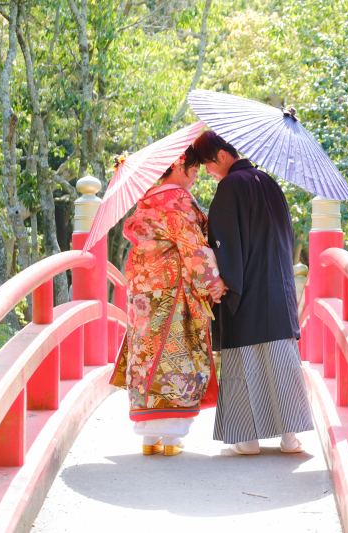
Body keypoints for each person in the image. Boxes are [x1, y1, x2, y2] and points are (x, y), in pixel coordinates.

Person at [193, 130, 314, 455]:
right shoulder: (269, 183)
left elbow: (224, 241)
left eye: (206, 163)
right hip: (278, 286)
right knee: (282, 362)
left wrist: (226, 280)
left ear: (220, 156)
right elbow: (286, 238)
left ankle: (247, 440)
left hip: (246, 289)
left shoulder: (230, 187)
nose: (206, 170)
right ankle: (290, 438)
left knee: (244, 362)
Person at [110, 146, 227, 456]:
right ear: (178, 165)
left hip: (144, 290)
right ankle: (172, 438)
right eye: (193, 166)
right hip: (173, 289)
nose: (198, 171)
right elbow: (192, 246)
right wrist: (213, 283)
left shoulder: (147, 199)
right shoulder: (176, 200)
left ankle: (149, 440)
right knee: (176, 350)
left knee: (146, 349)